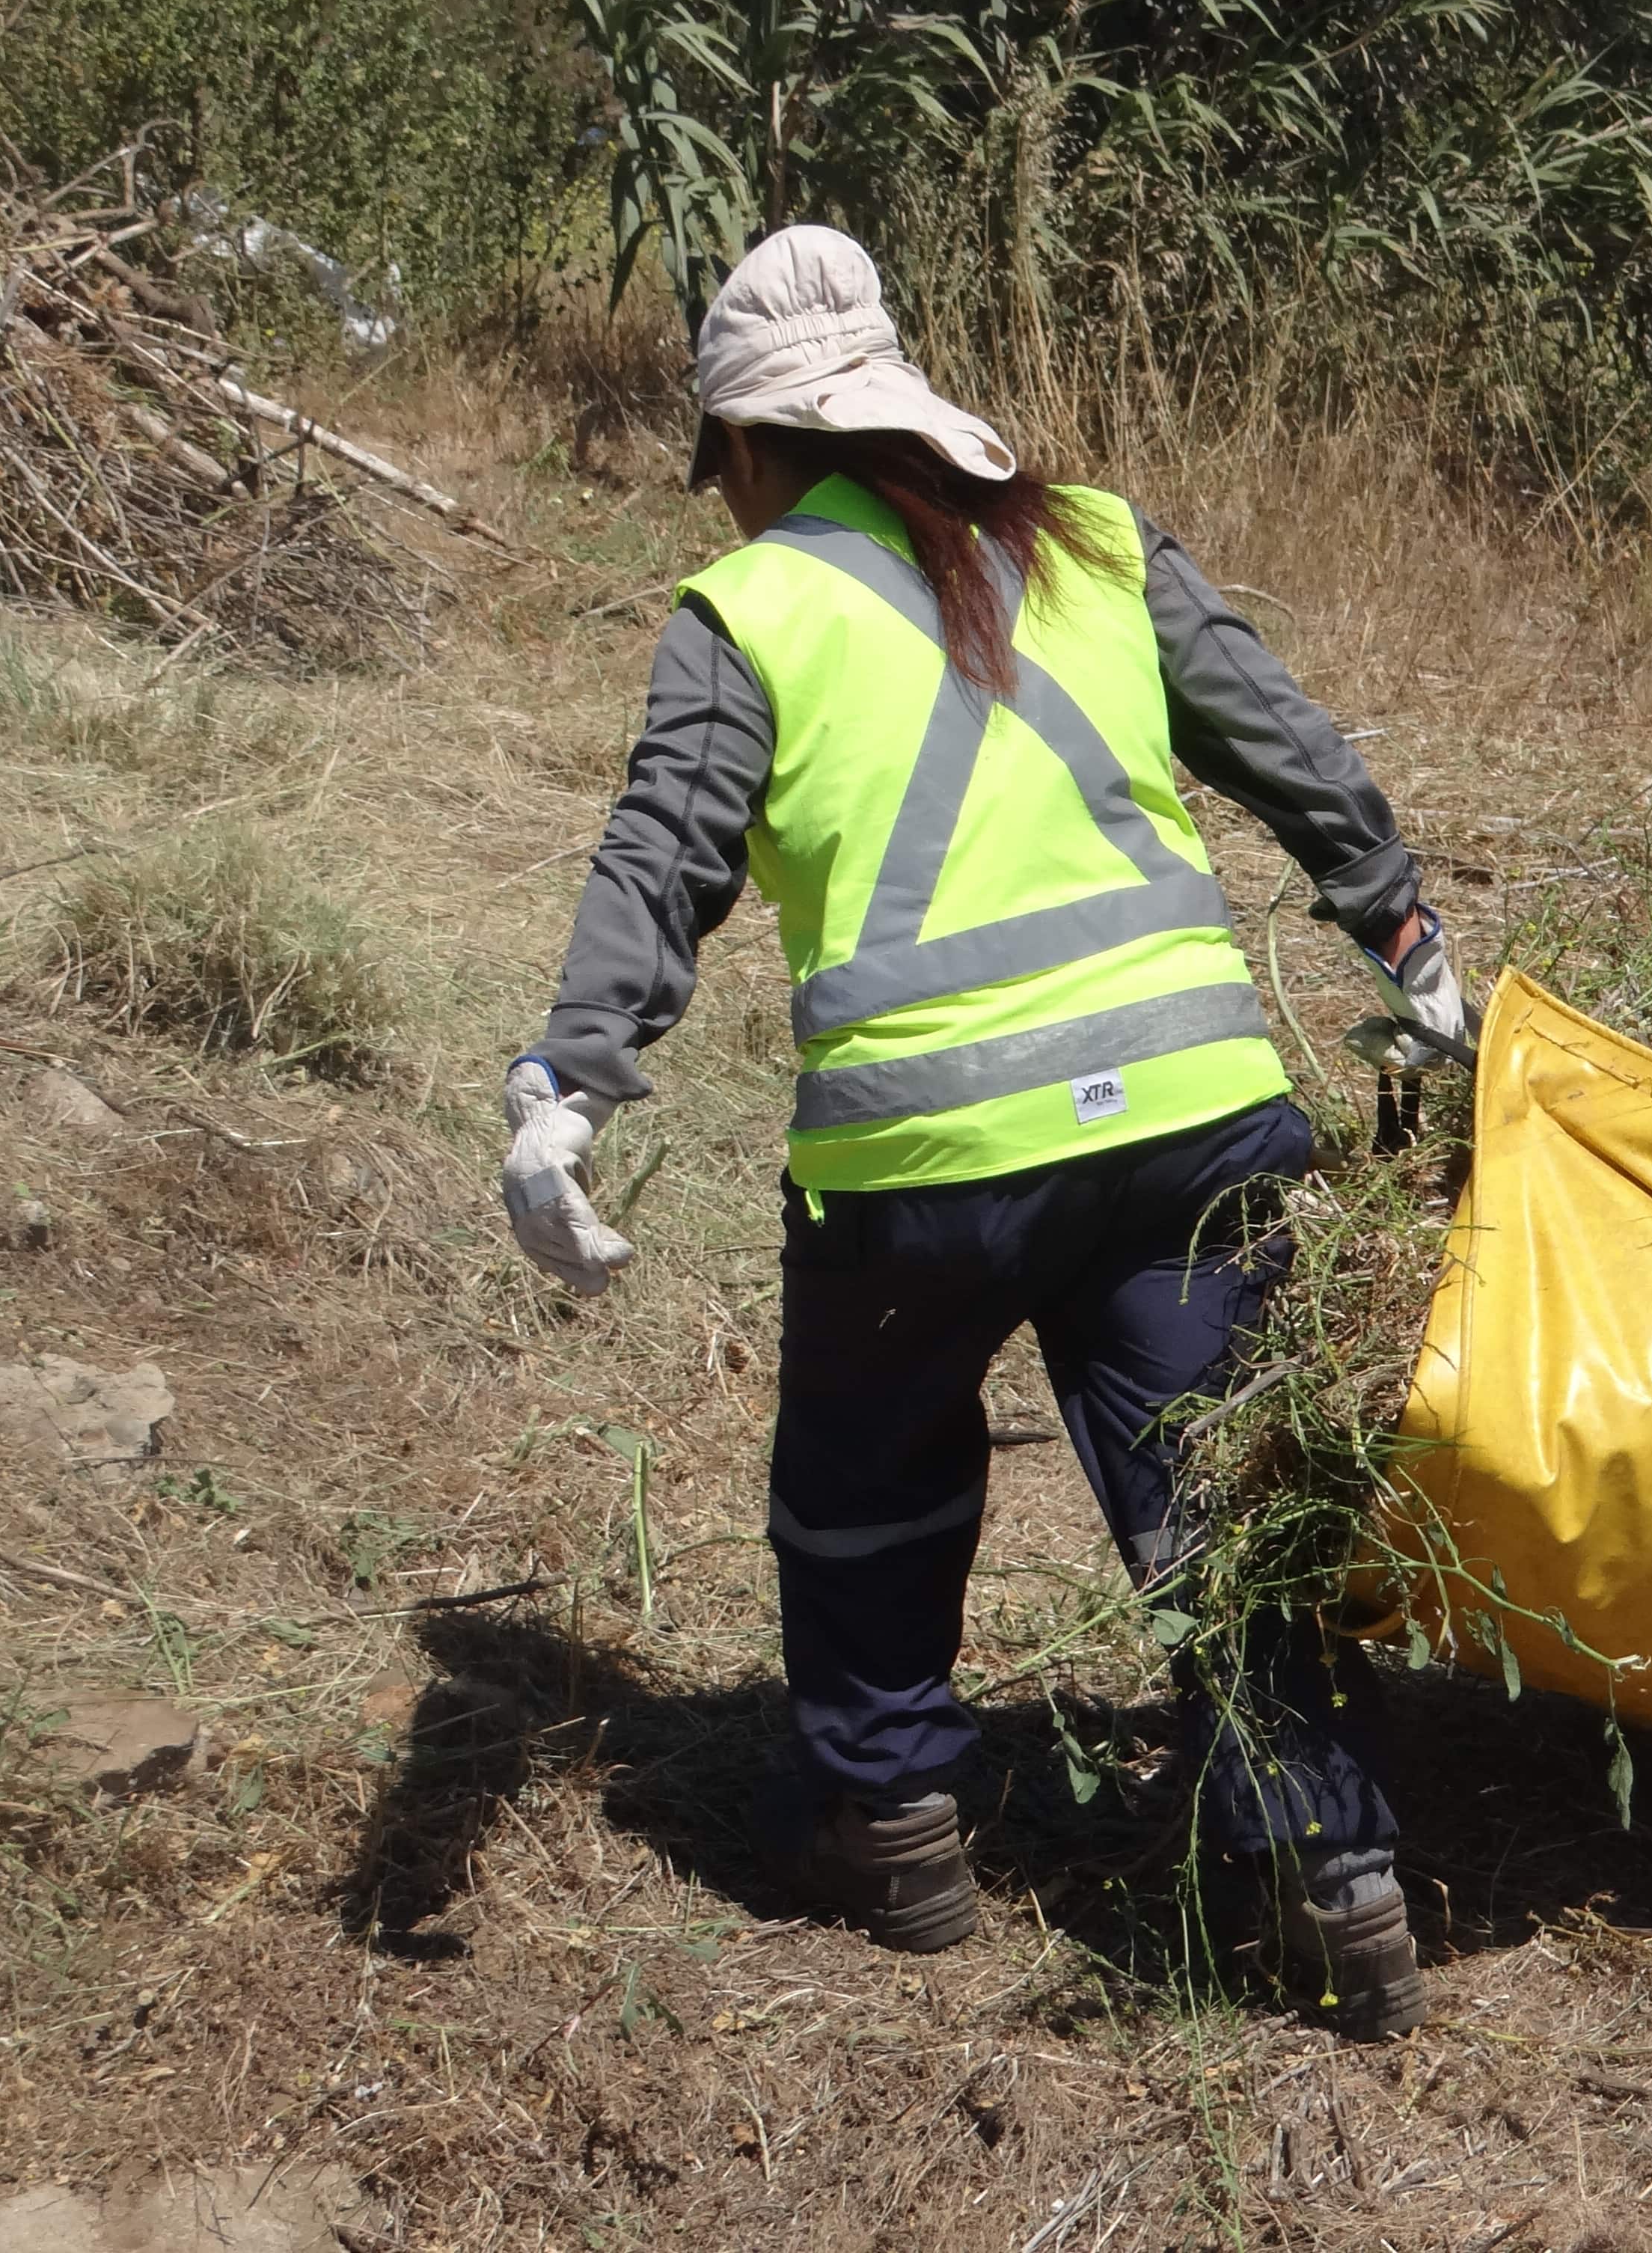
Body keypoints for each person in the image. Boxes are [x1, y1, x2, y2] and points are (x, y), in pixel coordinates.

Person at [495, 225, 1470, 2038]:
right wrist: (1402, 930)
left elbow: (662, 859)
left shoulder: (752, 613)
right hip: (1196, 1119)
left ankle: (893, 1825)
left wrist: (570, 1082)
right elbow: (1288, 740)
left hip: (924, 1166)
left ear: (754, 447)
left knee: (865, 1494)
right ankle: (1328, 1857)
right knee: (1231, 1498)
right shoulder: (1095, 540)